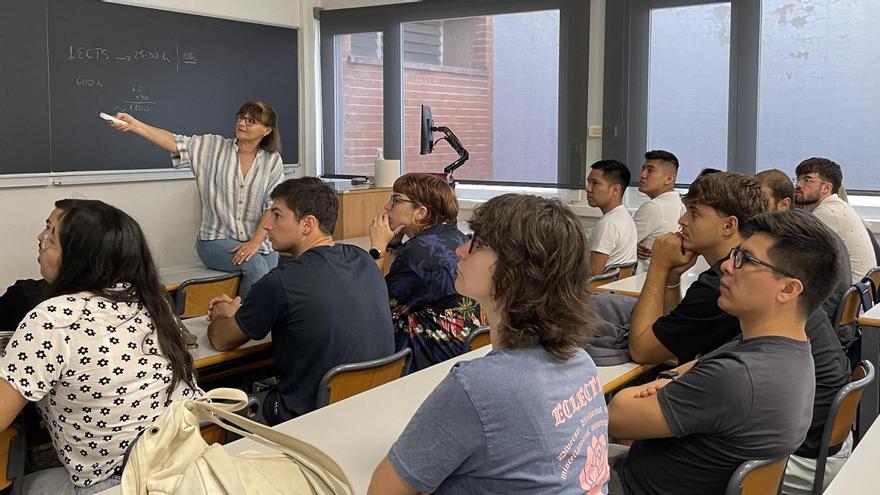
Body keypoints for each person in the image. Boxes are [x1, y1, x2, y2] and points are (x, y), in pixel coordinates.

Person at [367, 194, 609, 494]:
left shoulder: (477, 386)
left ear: (518, 270)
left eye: (477, 244)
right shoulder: (581, 362)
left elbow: (383, 490)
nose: (460, 250)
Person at [627, 172, 850, 494]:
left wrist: (659, 269)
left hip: (797, 455)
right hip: (800, 439)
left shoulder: (736, 296)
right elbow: (679, 339)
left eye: (694, 212)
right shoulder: (776, 329)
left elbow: (644, 351)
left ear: (729, 225)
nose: (680, 220)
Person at [0, 199, 201, 494]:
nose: (40, 238)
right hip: (183, 467)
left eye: (50, 234)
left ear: (79, 259)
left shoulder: (51, 319)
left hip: (117, 485)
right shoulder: (154, 302)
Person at [206, 178, 394, 424]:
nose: (268, 226)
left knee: (225, 409)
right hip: (370, 409)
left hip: (307, 419)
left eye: (277, 215)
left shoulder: (281, 282)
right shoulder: (365, 261)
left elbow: (221, 340)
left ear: (308, 224)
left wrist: (224, 314)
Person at [106, 100, 285, 297]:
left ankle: (260, 324)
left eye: (251, 121)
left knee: (272, 276)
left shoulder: (272, 161)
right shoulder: (213, 147)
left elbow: (273, 206)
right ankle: (240, 324)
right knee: (256, 266)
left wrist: (255, 243)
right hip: (216, 240)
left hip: (259, 241)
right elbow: (174, 142)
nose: (242, 123)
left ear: (267, 130)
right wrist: (135, 125)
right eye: (241, 117)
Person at [368, 173, 483, 371]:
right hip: (467, 350)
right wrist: (395, 245)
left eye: (396, 200)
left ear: (420, 213)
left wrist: (378, 249)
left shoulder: (416, 255)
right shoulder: (456, 236)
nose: (387, 206)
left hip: (431, 360)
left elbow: (373, 309)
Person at [756, 168, 852, 327]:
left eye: (761, 201)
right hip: (837, 322)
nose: (754, 207)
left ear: (784, 204)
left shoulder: (796, 234)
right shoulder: (805, 220)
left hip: (821, 324)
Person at [794, 157, 874, 283]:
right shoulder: (837, 206)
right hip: (857, 294)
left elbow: (798, 254)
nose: (798, 185)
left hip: (846, 296)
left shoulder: (827, 212)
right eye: (798, 179)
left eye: (807, 180)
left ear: (826, 188)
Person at [632, 150, 685, 273]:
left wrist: (632, 246)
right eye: (643, 169)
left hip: (644, 280)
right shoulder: (679, 204)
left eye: (650, 170)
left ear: (669, 178)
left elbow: (621, 245)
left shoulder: (654, 207)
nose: (643, 175)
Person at [587, 160, 638, 276]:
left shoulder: (608, 224)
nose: (588, 189)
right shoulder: (625, 217)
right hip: (616, 288)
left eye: (595, 183)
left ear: (615, 190)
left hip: (600, 291)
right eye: (588, 183)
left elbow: (593, 273)